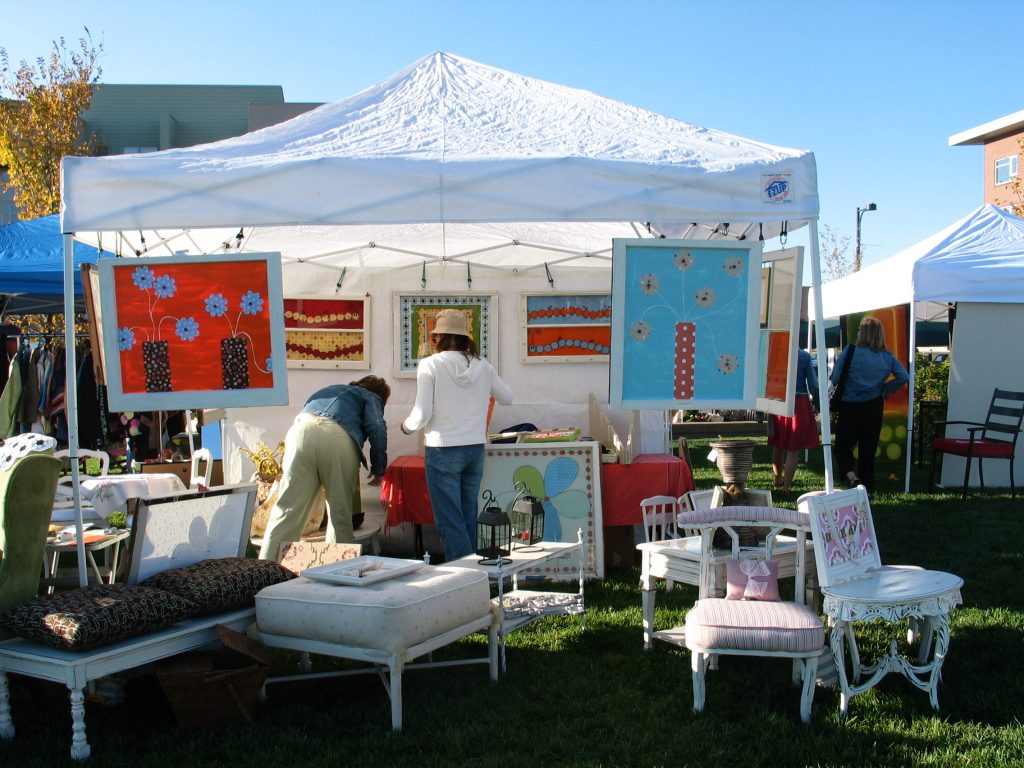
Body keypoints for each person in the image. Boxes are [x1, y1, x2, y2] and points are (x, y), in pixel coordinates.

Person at [401, 309, 513, 561]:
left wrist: (405, 427)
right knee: (467, 515)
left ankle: (463, 578)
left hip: (443, 448)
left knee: (450, 520)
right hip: (474, 448)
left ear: (438, 337)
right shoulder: (483, 365)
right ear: (464, 336)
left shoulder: (430, 365)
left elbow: (421, 414)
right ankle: (476, 575)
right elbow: (508, 397)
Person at [258, 375, 390, 561]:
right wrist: (379, 469)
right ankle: (339, 572)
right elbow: (376, 426)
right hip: (337, 438)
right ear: (380, 396)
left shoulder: (329, 389)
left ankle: (265, 571)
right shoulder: (371, 396)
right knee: (340, 514)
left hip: (300, 432)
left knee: (287, 509)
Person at [830, 316, 908, 494]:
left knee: (843, 445)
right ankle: (867, 487)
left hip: (850, 406)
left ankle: (851, 476)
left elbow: (835, 378)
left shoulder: (851, 351)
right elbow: (904, 376)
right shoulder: (887, 357)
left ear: (863, 333)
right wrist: (885, 389)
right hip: (874, 406)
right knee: (868, 449)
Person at [768, 348, 820, 493]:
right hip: (799, 402)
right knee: (793, 448)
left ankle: (777, 479)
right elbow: (813, 384)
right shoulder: (804, 356)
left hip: (778, 399)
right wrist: (817, 402)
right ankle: (786, 487)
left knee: (777, 444)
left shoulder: (774, 353)